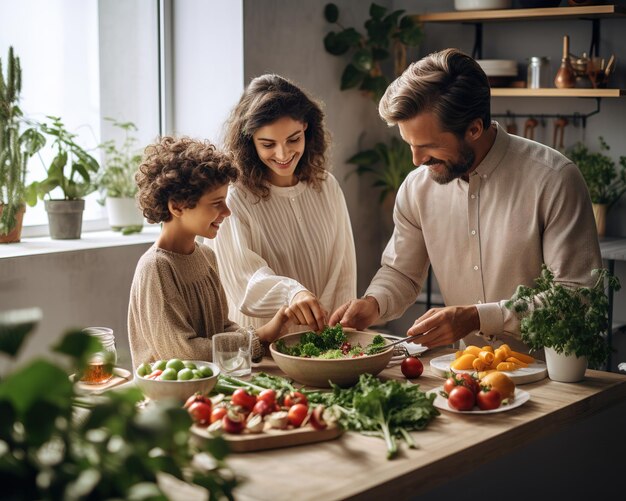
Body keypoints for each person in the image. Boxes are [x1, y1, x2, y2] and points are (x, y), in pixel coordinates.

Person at [330, 48, 602, 353]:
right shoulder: (417, 188)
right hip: (467, 374)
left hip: (554, 374)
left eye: (428, 146)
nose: (417, 160)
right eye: (410, 144)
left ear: (474, 128)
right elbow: (401, 272)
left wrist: (477, 317)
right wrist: (374, 303)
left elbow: (577, 295)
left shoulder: (554, 179)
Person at [128, 136, 289, 368]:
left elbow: (221, 327)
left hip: (210, 392)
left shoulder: (206, 256)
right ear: (177, 206)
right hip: (169, 399)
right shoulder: (156, 267)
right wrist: (258, 337)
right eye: (216, 203)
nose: (227, 211)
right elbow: (183, 353)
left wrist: (270, 329)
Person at [213, 74, 357, 333]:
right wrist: (293, 293)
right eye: (268, 144)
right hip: (263, 352)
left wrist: (337, 333)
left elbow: (343, 271)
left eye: (293, 139)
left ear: (306, 129)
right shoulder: (234, 198)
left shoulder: (326, 186)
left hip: (322, 348)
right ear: (249, 142)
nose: (283, 154)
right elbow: (244, 285)